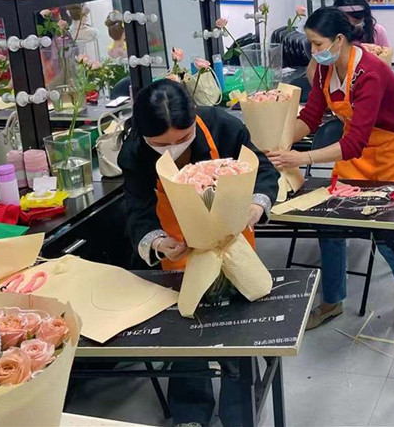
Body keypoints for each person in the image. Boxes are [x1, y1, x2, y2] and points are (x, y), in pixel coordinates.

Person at [119, 79, 279, 426]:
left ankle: (239, 414)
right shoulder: (135, 150)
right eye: (161, 144)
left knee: (236, 335)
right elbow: (137, 208)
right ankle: (190, 412)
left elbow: (265, 170)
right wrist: (158, 242)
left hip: (230, 247)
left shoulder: (224, 127)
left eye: (183, 138)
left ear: (194, 119)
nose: (173, 149)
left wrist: (255, 205)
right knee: (187, 337)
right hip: (178, 253)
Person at [265, 8, 394, 330]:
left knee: (385, 228)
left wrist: (302, 159)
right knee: (331, 223)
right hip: (353, 145)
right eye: (310, 44)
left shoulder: (370, 73)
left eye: (317, 44)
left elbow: (354, 143)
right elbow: (310, 117)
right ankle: (332, 301)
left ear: (339, 40)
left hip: (386, 149)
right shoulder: (326, 69)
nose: (313, 52)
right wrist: (278, 142)